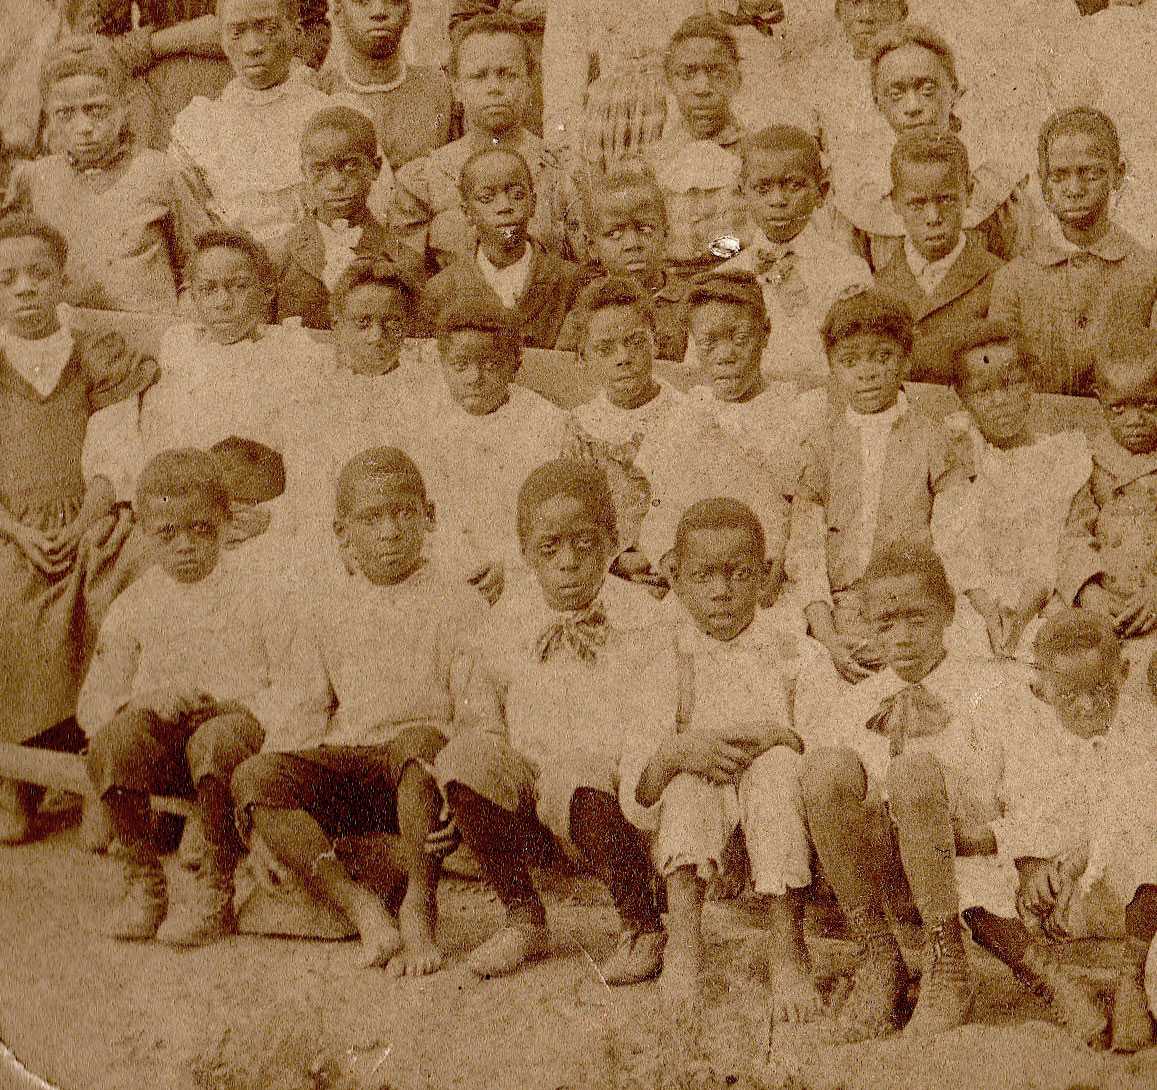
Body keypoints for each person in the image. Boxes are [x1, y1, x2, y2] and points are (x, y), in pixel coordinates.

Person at [232, 448, 482, 973]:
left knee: (420, 749)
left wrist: (463, 786)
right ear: (343, 532)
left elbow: (476, 709)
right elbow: (303, 709)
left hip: (419, 774)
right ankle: (357, 903)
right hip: (353, 763)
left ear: (428, 516)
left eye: (403, 513)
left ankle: (419, 903)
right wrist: (267, 810)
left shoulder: (458, 604)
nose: (390, 531)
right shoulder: (327, 608)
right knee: (256, 776)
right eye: (372, 518)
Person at [436, 459, 667, 982]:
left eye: (584, 544)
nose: (568, 562)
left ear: (610, 542)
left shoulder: (646, 620)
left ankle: (642, 926)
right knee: (464, 757)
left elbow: (652, 730)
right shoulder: (508, 622)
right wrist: (466, 789)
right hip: (533, 805)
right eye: (549, 548)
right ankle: (523, 917)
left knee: (577, 776)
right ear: (525, 553)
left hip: (611, 806)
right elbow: (486, 721)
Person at [798, 544, 1018, 1039]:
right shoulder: (858, 700)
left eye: (917, 619)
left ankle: (948, 966)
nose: (901, 638)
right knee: (825, 767)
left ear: (948, 613)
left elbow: (1003, 794)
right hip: (890, 874)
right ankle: (879, 954)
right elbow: (843, 811)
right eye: (886, 623)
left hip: (963, 861)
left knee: (915, 772)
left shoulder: (983, 689)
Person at [80, 447, 293, 944]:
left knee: (214, 742)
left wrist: (237, 706)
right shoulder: (137, 602)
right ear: (144, 534)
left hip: (236, 742)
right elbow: (93, 704)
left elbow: (301, 686)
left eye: (201, 529)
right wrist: (142, 700)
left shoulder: (263, 594)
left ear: (228, 522)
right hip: (167, 744)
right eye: (167, 534)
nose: (185, 546)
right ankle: (144, 883)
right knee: (112, 741)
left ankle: (211, 891)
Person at [623, 498, 821, 1014]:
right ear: (678, 578)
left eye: (738, 574)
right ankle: (684, 949)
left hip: (773, 799)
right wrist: (678, 753)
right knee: (688, 787)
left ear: (764, 576)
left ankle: (787, 952)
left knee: (777, 776)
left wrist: (777, 738)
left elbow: (820, 740)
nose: (721, 591)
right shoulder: (667, 651)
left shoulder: (788, 647)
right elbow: (638, 787)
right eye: (704, 575)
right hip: (701, 802)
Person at [0, 215, 157, 844]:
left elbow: (114, 454)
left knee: (112, 584)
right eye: (6, 279)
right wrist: (16, 530)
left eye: (38, 274)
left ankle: (100, 776)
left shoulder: (93, 355)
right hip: (14, 528)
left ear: (62, 278)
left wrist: (89, 519)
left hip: (89, 516)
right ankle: (14, 780)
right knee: (9, 598)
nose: (24, 290)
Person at [960, 610, 1157, 1053]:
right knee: (969, 879)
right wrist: (1032, 867)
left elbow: (1128, 809)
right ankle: (1053, 981)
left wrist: (1074, 860)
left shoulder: (1137, 731)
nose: (1088, 705)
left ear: (1122, 674)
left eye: (1101, 690)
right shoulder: (1032, 742)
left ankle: (1130, 980)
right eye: (1070, 694)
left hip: (1122, 896)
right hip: (1055, 901)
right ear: (1043, 690)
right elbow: (1027, 819)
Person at [787, 286, 971, 683]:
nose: (867, 372)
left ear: (905, 360)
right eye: (850, 361)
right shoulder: (823, 444)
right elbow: (805, 549)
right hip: (837, 613)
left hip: (910, 615)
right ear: (833, 368)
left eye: (882, 357)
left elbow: (956, 540)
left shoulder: (932, 439)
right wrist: (827, 633)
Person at [138, 228, 320, 547]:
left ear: (267, 291)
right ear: (193, 297)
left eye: (238, 287)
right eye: (208, 290)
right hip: (192, 521)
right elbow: (161, 445)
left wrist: (274, 515)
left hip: (269, 517)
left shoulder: (292, 351)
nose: (223, 302)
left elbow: (310, 452)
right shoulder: (181, 349)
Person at [636, 271, 813, 596]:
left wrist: (781, 561)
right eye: (709, 343)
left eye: (740, 338)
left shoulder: (793, 413)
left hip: (767, 577)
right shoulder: (684, 414)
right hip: (692, 579)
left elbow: (805, 512)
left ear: (765, 333)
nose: (725, 355)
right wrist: (665, 555)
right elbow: (656, 503)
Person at [168, 0, 380, 265]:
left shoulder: (336, 115)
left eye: (268, 28)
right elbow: (194, 240)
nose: (253, 46)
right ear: (222, 39)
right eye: (237, 32)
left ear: (296, 33)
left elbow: (374, 214)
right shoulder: (199, 127)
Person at [7, 36, 204, 314]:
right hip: (70, 339)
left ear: (125, 107)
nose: (84, 126)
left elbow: (202, 260)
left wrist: (184, 321)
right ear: (49, 117)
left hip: (148, 336)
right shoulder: (35, 179)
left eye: (96, 109)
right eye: (65, 113)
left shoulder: (159, 171)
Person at [932, 321, 1090, 661]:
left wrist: (1022, 613)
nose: (999, 401)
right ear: (961, 395)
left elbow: (1050, 545)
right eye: (983, 391)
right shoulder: (959, 451)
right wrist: (990, 612)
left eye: (1012, 384)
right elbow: (955, 546)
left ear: (1030, 384)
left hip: (1041, 600)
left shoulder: (1061, 456)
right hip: (975, 602)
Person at [834, 24, 1039, 272]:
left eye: (927, 90)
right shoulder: (863, 200)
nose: (912, 107)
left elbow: (1024, 277)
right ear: (878, 103)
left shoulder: (995, 189)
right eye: (896, 94)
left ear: (954, 90)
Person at [989, 107, 1157, 397]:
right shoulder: (1013, 280)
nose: (1074, 188)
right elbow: (999, 380)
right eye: (1060, 176)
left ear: (1118, 174)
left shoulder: (1147, 272)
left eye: (1091, 173)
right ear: (1043, 182)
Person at [414, 297, 567, 603]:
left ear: (515, 365)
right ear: (443, 365)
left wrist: (511, 565)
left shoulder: (546, 423)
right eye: (461, 365)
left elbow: (553, 514)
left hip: (521, 570)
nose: (474, 378)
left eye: (491, 364)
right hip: (441, 569)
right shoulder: (424, 421)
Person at [390, 12, 566, 269]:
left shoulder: (560, 173)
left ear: (529, 82)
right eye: (479, 76)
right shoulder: (424, 181)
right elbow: (408, 278)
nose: (494, 87)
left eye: (507, 74)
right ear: (457, 86)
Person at [712, 124, 871, 384]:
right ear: (742, 192)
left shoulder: (848, 272)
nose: (778, 200)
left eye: (794, 186)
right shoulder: (726, 277)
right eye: (762, 189)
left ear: (822, 190)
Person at [1060, 339, 1157, 704]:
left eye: (1149, 406)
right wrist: (1087, 591)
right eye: (1119, 409)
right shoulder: (1090, 462)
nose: (1134, 420)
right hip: (1104, 605)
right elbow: (1072, 534)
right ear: (1100, 402)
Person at [274, 105, 424, 330]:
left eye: (350, 165)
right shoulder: (279, 256)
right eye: (320, 169)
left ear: (375, 168)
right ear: (304, 172)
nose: (336, 183)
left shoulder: (404, 261)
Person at [873, 132, 1005, 385]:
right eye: (917, 203)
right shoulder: (878, 287)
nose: (933, 216)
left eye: (946, 199)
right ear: (895, 202)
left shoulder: (999, 279)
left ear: (970, 193)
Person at [421, 147, 580, 349]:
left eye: (517, 194)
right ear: (467, 212)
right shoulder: (441, 290)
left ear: (533, 203)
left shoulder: (570, 282)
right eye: (487, 198)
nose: (505, 206)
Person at [645, 16, 749, 274]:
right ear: (670, 80)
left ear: (737, 79)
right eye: (688, 74)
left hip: (735, 280)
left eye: (717, 73)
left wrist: (708, 255)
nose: (703, 88)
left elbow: (756, 237)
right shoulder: (652, 161)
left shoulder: (754, 155)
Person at [556, 166, 690, 362]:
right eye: (615, 234)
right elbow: (563, 375)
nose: (632, 244)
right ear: (592, 245)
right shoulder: (584, 310)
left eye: (645, 229)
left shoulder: (689, 303)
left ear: (666, 235)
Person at [318, 0, 454, 171]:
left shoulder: (440, 88)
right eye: (362, 2)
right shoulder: (320, 92)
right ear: (339, 13)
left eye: (393, 1)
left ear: (408, 12)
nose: (379, 11)